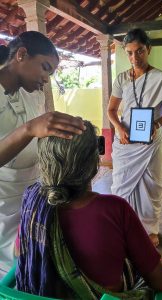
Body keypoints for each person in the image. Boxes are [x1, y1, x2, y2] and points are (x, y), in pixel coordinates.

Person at [15, 121, 162, 299]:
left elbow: (19, 253)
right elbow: (161, 281)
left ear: (44, 162)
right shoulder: (114, 209)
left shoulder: (33, 204)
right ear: (95, 162)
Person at [0, 31, 85, 277]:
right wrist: (29, 129)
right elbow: (30, 131)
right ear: (22, 54)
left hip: (33, 192)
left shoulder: (33, 95)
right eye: (45, 68)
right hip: (3, 198)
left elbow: (39, 136)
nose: (46, 79)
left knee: (32, 258)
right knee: (8, 269)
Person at [107, 28, 162, 247]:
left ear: (148, 49)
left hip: (151, 143)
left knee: (152, 187)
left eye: (139, 51)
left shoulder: (161, 79)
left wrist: (157, 124)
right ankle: (123, 225)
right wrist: (120, 129)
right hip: (126, 142)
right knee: (121, 186)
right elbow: (111, 110)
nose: (134, 58)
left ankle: (150, 230)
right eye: (129, 53)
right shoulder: (122, 79)